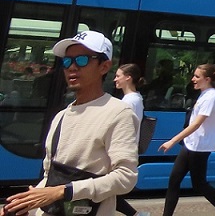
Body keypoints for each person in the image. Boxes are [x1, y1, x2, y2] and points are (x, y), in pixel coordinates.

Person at [0, 31, 138, 216]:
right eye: (67, 61)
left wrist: (64, 191)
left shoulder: (119, 113)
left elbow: (126, 177)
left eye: (82, 60)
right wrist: (23, 205)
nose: (72, 67)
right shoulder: (61, 116)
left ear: (104, 66)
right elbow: (50, 177)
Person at [159, 64, 215, 216]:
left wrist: (173, 141)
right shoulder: (204, 94)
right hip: (191, 143)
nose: (193, 79)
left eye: (197, 76)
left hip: (201, 145)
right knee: (174, 180)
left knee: (199, 184)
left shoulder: (211, 96)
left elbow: (196, 124)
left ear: (207, 79)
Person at [114, 63, 150, 216]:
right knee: (108, 192)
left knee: (108, 191)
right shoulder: (135, 98)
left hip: (122, 150)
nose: (115, 79)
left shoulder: (129, 101)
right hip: (126, 149)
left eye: (118, 76)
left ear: (128, 78)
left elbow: (124, 128)